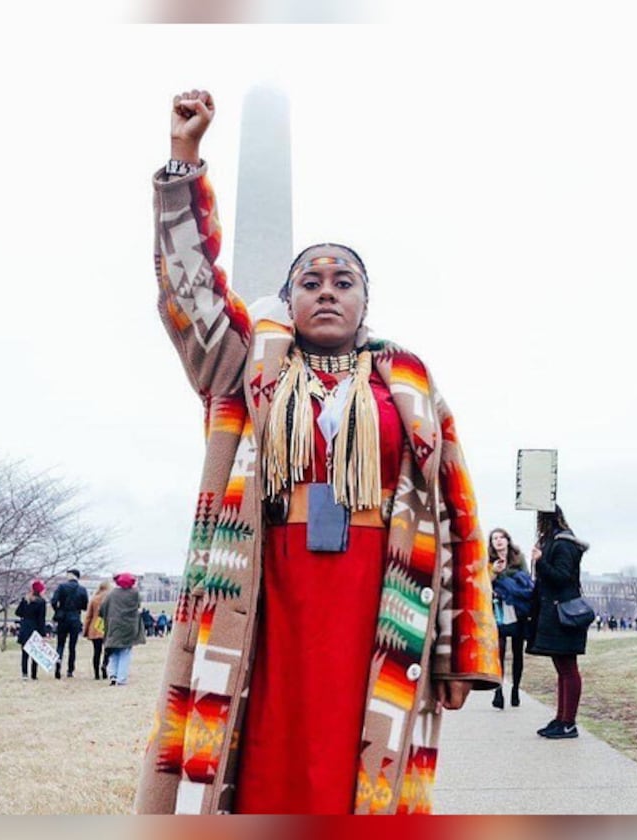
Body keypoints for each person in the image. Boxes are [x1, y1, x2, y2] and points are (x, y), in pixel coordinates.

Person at [134, 89, 499, 815]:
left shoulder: (412, 380)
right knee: (258, 755)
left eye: (344, 282)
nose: (327, 292)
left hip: (380, 595)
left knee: (359, 773)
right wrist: (185, 162)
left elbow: (460, 515)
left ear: (367, 301)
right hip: (265, 591)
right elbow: (190, 291)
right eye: (310, 282)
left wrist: (467, 647)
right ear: (287, 299)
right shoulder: (243, 364)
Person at [526, 506, 591, 739]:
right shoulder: (557, 541)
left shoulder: (563, 544)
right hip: (557, 615)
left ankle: (568, 723)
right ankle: (561, 719)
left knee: (568, 669)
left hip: (564, 616)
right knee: (563, 669)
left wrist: (541, 561)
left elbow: (562, 578)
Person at [489, 528, 534, 710]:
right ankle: (498, 691)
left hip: (518, 610)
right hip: (498, 609)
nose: (498, 541)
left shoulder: (518, 557)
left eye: (501, 537)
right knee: (498, 653)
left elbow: (526, 581)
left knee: (517, 652)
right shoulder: (489, 560)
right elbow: (483, 581)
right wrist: (493, 572)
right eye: (494, 539)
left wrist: (507, 579)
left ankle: (515, 689)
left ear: (508, 540)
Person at [100, 573, 145, 686]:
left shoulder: (112, 594)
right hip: (129, 627)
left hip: (114, 626)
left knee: (113, 652)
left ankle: (113, 675)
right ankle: (122, 678)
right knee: (125, 652)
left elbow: (102, 609)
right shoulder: (135, 594)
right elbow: (139, 605)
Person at [50, 569, 90, 679]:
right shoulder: (82, 589)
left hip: (63, 618)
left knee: (60, 644)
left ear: (71, 575)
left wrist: (58, 610)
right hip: (75, 618)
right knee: (72, 646)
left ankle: (58, 662)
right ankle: (70, 670)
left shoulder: (62, 587)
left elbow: (53, 601)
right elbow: (85, 606)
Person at [15, 579, 48, 681]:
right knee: (35, 653)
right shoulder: (41, 602)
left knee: (25, 653)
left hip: (25, 627)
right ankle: (34, 674)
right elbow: (41, 619)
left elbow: (18, 612)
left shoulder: (25, 600)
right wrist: (43, 633)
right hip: (35, 628)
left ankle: (24, 674)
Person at [84, 579, 112, 680]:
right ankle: (105, 665)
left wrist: (86, 630)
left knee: (96, 651)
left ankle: (96, 673)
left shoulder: (94, 599)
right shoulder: (110, 598)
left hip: (95, 627)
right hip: (108, 627)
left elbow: (89, 616)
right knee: (108, 650)